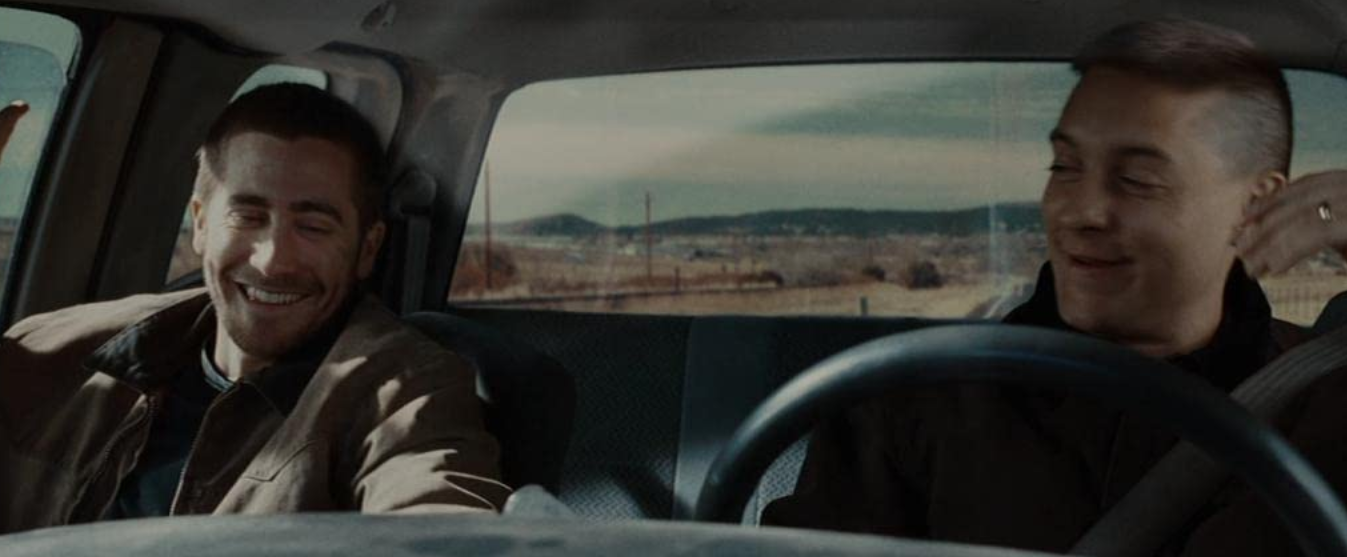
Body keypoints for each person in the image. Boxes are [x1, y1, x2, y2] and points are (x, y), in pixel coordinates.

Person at [763, 20, 1347, 556]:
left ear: (1256, 202)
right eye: (1063, 167)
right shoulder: (912, 399)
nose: (1080, 211)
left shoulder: (1323, 403)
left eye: (1138, 179)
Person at [0, 83, 509, 533]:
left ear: (367, 248)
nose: (272, 261)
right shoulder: (57, 347)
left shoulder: (404, 391)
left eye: (313, 226)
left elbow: (439, 517)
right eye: (247, 216)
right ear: (201, 224)